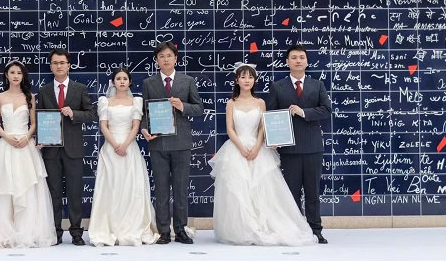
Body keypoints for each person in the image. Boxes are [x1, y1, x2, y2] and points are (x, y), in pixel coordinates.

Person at [209, 64, 317, 246]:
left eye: (250, 77)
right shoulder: (231, 103)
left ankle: (263, 225)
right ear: (237, 80)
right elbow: (230, 129)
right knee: (238, 190)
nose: (247, 80)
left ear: (254, 81)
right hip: (236, 149)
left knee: (262, 189)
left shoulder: (260, 103)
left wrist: (257, 146)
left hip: (258, 149)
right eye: (243, 77)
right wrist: (241, 148)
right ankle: (242, 229)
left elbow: (262, 127)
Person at [0, 61, 55, 248]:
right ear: (6, 75)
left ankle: (27, 231)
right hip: (6, 145)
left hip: (25, 146)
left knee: (26, 185)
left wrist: (27, 137)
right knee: (4, 187)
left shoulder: (30, 97)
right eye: (12, 72)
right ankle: (1, 231)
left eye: (19, 73)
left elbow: (34, 123)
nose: (16, 76)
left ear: (23, 76)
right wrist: (7, 137)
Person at [266, 45, 332, 244]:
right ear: (287, 62)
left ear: (306, 61)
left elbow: (327, 110)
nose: (298, 61)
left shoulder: (317, 85)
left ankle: (315, 229)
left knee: (313, 192)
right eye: (293, 57)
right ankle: (294, 230)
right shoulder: (277, 86)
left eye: (301, 57)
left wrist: (303, 112)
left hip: (313, 147)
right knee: (291, 193)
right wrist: (273, 138)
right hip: (289, 149)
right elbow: (271, 114)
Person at [140, 41, 203, 244]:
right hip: (157, 142)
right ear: (156, 60)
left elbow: (199, 108)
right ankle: (164, 231)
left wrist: (182, 106)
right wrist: (144, 129)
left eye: (169, 56)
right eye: (161, 56)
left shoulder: (187, 81)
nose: (165, 59)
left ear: (176, 58)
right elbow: (144, 112)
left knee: (181, 188)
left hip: (181, 142)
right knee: (160, 189)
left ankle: (181, 229)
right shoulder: (149, 83)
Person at [88, 68, 159, 247]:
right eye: (118, 78)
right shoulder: (105, 101)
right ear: (113, 82)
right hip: (110, 150)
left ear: (129, 82)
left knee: (132, 188)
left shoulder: (136, 101)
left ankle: (132, 226)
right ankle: (109, 227)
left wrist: (125, 144)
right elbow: (103, 126)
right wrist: (115, 145)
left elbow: (136, 126)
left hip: (130, 149)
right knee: (111, 188)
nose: (121, 81)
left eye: (125, 78)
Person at [37, 48, 97, 246]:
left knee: (75, 192)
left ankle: (76, 232)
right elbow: (39, 117)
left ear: (69, 65)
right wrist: (41, 138)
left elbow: (91, 114)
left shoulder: (80, 89)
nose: (59, 66)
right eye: (55, 63)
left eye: (62, 62)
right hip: (51, 149)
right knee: (53, 192)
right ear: (51, 66)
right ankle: (55, 232)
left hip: (74, 148)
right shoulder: (44, 91)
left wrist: (74, 114)